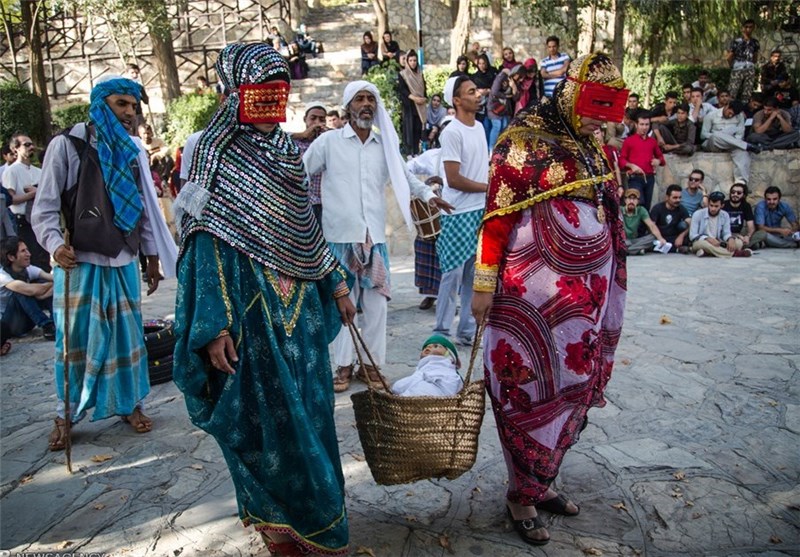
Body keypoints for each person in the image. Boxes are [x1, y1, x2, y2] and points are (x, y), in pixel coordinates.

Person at [172, 43, 356, 557]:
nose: (273, 99)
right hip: (248, 318)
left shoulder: (285, 154)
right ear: (235, 91)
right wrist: (214, 327)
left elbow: (306, 232)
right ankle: (280, 534)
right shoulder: (214, 153)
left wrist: (337, 284)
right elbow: (202, 240)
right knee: (266, 427)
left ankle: (317, 522)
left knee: (312, 422)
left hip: (301, 319)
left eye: (281, 88)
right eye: (262, 88)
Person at [472, 52, 628, 546]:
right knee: (528, 392)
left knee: (569, 386)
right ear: (569, 93)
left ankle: (545, 481)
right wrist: (482, 283)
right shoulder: (523, 142)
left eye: (608, 112)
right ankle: (521, 496)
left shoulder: (593, 146)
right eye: (594, 109)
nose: (599, 121)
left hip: (582, 305)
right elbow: (496, 216)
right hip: (527, 299)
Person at [32, 74, 177, 452]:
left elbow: (144, 209)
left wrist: (151, 258)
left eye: (132, 106)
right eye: (120, 104)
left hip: (124, 260)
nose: (129, 113)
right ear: (100, 105)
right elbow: (45, 206)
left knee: (127, 340)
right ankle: (66, 414)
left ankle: (129, 405)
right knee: (75, 342)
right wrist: (52, 245)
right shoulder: (67, 145)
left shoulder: (131, 150)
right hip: (78, 262)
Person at [302, 80, 453, 393]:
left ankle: (370, 367)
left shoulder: (383, 145)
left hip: (374, 239)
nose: (366, 104)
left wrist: (428, 195)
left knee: (376, 304)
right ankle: (343, 367)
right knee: (341, 305)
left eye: (371, 98)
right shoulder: (329, 142)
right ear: (348, 106)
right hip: (339, 238)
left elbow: (404, 175)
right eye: (360, 99)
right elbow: (301, 172)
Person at [432, 75, 488, 347]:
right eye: (470, 91)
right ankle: (441, 331)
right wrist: (488, 188)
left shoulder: (479, 127)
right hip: (457, 212)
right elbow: (453, 179)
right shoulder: (451, 132)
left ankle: (466, 330)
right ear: (456, 100)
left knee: (472, 275)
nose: (477, 95)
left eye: (476, 90)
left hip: (478, 210)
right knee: (452, 275)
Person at [2, 133, 50, 271]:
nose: (31, 147)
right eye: (26, 144)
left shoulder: (39, 171)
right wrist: (33, 194)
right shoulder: (11, 171)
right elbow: (10, 199)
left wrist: (38, 193)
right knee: (31, 259)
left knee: (44, 257)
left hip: (41, 219)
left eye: (32, 144)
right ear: (15, 149)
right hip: (23, 222)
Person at [0, 237, 54, 340]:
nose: (29, 254)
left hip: (27, 322)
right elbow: (30, 290)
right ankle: (47, 326)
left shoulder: (28, 269)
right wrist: (41, 291)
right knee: (21, 291)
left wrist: (46, 288)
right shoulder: (1, 275)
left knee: (40, 282)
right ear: (11, 257)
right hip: (9, 326)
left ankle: (55, 322)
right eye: (23, 251)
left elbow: (55, 279)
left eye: (27, 250)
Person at [701, 101, 761, 185]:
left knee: (742, 153)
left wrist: (729, 139)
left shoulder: (739, 117)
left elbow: (740, 135)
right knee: (716, 135)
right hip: (715, 143)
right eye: (730, 113)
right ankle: (747, 146)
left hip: (732, 144)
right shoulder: (711, 115)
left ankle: (741, 183)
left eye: (733, 115)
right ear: (727, 106)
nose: (730, 115)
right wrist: (722, 135)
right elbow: (703, 135)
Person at [619, 110, 665, 210]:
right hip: (635, 178)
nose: (644, 127)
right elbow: (621, 160)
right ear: (636, 124)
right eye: (642, 124)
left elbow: (662, 159)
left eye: (647, 124)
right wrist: (631, 166)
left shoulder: (652, 142)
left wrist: (658, 161)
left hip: (650, 178)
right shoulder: (629, 141)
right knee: (638, 204)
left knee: (646, 207)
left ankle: (643, 226)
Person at [392, 334, 462, 397]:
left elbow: (398, 388)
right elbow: (398, 388)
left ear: (449, 355)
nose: (429, 347)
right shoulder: (422, 370)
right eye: (426, 347)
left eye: (436, 346)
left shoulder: (445, 368)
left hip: (433, 399)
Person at [291, 103, 328, 222]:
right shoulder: (294, 143)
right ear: (305, 119)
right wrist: (302, 135)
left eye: (321, 120)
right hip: (301, 205)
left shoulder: (329, 144)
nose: (317, 123)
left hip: (326, 205)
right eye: (313, 118)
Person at [689, 191, 751, 257]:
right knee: (704, 245)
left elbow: (726, 233)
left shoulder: (725, 215)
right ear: (708, 204)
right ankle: (734, 254)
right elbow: (692, 236)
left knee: (738, 243)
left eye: (716, 206)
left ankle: (708, 253)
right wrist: (708, 239)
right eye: (711, 205)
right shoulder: (698, 214)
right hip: (702, 242)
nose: (713, 209)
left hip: (718, 242)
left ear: (722, 205)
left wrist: (730, 239)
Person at [620, 188, 668, 254]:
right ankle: (635, 250)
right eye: (629, 198)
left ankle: (628, 251)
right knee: (618, 243)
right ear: (625, 200)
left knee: (653, 237)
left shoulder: (641, 210)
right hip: (623, 240)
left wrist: (660, 238)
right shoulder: (620, 210)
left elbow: (651, 225)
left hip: (635, 240)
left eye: (634, 199)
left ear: (638, 201)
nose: (631, 201)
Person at [398, 50, 427, 155]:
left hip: (420, 106)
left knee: (418, 130)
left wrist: (424, 99)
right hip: (410, 105)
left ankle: (417, 152)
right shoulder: (403, 74)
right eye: (410, 60)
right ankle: (409, 154)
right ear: (407, 62)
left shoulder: (420, 73)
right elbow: (402, 90)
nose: (413, 62)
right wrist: (414, 98)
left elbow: (424, 88)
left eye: (415, 60)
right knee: (409, 130)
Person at [649, 184, 691, 252]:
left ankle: (673, 248)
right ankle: (677, 249)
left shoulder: (681, 208)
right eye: (675, 198)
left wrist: (681, 236)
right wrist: (660, 238)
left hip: (674, 237)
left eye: (680, 197)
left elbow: (691, 223)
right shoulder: (657, 208)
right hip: (659, 237)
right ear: (667, 197)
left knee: (687, 237)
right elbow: (652, 226)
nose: (678, 200)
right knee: (649, 240)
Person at [723, 183, 765, 250]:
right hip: (725, 235)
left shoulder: (746, 206)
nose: (735, 194)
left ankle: (741, 245)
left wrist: (747, 236)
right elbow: (720, 228)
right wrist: (736, 236)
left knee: (762, 234)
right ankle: (746, 245)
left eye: (739, 193)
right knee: (754, 245)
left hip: (739, 236)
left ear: (744, 195)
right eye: (733, 192)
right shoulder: (723, 205)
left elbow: (751, 226)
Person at [726, 19, 759, 102]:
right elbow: (729, 56)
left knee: (747, 92)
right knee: (732, 91)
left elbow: (755, 55)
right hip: (738, 67)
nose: (748, 29)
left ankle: (744, 109)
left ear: (753, 28)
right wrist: (732, 65)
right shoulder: (737, 42)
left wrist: (752, 64)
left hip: (750, 68)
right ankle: (729, 108)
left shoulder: (755, 42)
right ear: (743, 28)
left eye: (750, 27)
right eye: (746, 27)